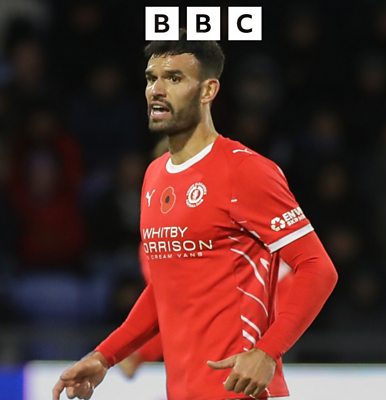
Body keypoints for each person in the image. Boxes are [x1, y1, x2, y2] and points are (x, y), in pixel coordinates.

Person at [53, 29, 338, 400]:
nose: (157, 90)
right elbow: (164, 290)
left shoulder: (245, 170)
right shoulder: (154, 175)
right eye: (151, 78)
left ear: (208, 91)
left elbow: (318, 267)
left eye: (174, 79)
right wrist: (104, 356)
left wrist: (268, 351)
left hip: (242, 393)